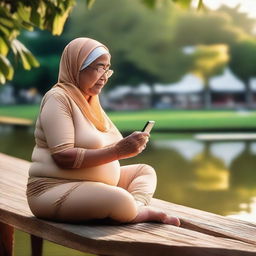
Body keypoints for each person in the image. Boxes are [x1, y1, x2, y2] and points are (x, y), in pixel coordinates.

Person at [26, 37, 180, 226]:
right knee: (120, 200)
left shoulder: (90, 101)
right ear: (77, 66)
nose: (105, 76)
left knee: (144, 171)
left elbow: (109, 146)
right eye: (99, 67)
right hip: (54, 189)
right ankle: (131, 209)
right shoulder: (58, 98)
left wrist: (128, 146)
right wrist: (118, 151)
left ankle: (135, 208)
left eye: (107, 69)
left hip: (94, 186)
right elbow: (63, 156)